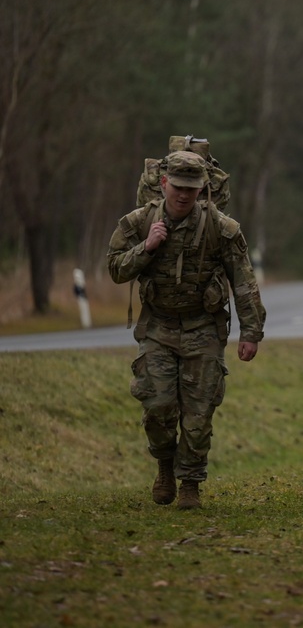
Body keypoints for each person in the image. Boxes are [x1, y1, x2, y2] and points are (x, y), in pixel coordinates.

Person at [108, 150, 266, 510]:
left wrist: (251, 332)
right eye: (177, 187)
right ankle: (165, 465)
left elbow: (244, 282)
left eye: (192, 189)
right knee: (158, 407)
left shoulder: (221, 228)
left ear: (202, 189)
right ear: (164, 184)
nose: (183, 195)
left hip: (203, 328)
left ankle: (191, 483)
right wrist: (146, 248)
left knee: (198, 414)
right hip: (158, 328)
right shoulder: (138, 222)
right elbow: (115, 269)